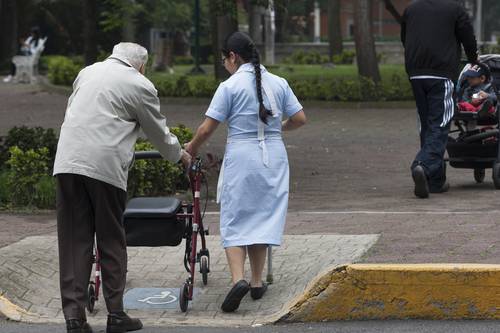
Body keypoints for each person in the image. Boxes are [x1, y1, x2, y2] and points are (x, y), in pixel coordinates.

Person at [53, 42, 191, 333]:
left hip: (67, 162)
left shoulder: (87, 72)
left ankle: (74, 319)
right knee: (111, 239)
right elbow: (158, 132)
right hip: (104, 167)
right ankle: (116, 315)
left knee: (73, 242)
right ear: (141, 65)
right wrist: (181, 156)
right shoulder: (140, 84)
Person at [184, 32, 306, 313]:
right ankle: (255, 282)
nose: (224, 64)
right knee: (263, 215)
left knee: (236, 216)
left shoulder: (229, 86)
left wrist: (189, 149)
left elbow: (206, 128)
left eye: (224, 58)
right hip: (274, 157)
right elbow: (300, 118)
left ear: (233, 57)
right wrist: (279, 129)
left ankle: (237, 279)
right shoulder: (279, 82)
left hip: (242, 155)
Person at [401, 0, 478, 198]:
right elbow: (468, 38)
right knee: (440, 123)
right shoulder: (455, 9)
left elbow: (405, 37)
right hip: (441, 72)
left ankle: (435, 181)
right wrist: (473, 60)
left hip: (416, 72)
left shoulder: (411, 9)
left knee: (426, 123)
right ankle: (422, 166)